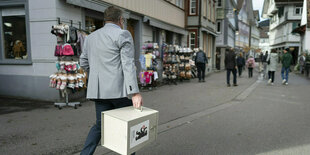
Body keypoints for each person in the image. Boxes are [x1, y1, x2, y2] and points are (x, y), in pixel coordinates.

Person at [79, 6, 143, 155]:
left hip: (98, 91)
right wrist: (135, 92)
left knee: (100, 126)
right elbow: (127, 64)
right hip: (117, 91)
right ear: (120, 20)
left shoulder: (91, 37)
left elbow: (83, 62)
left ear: (105, 19)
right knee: (127, 124)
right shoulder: (123, 34)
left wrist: (96, 74)